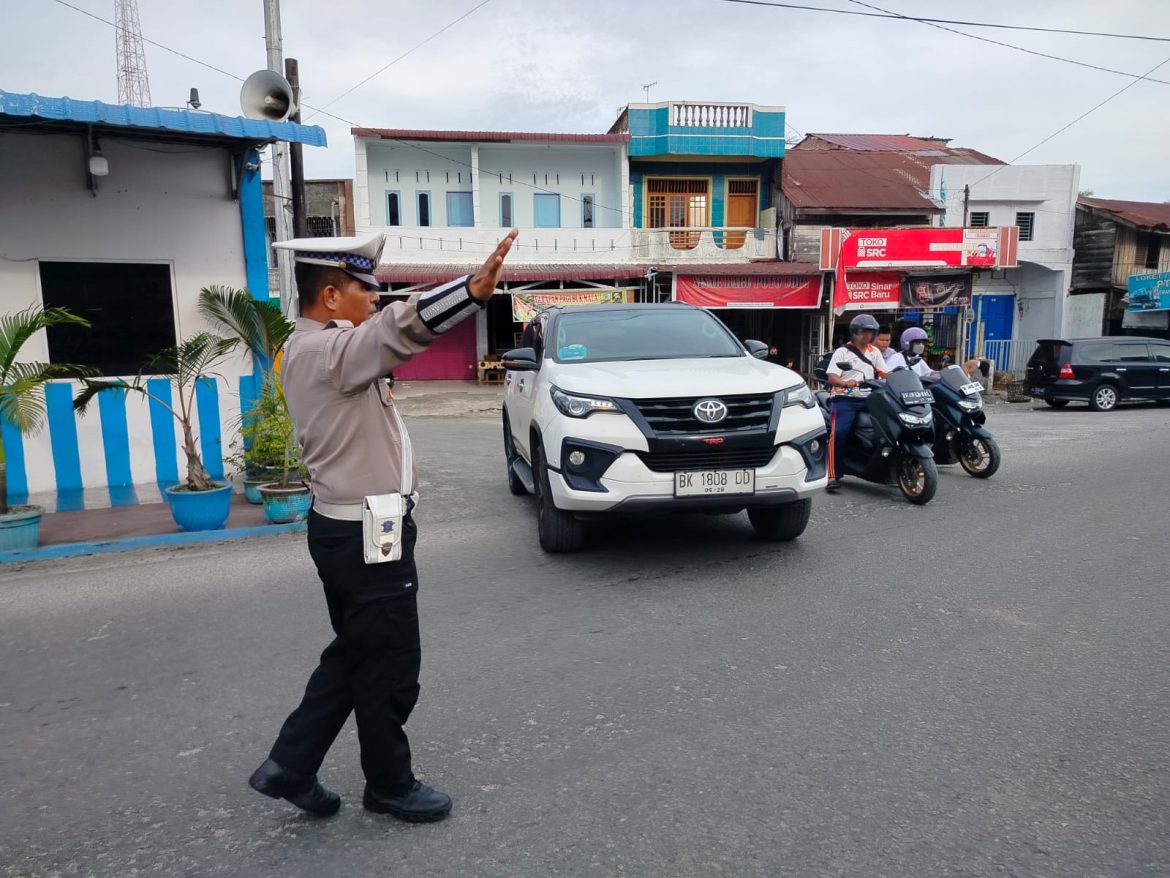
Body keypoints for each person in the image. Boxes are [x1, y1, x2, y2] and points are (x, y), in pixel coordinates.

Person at [248, 228, 518, 822]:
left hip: (347, 527)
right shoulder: (330, 352)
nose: (374, 298)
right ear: (329, 296)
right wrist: (471, 292)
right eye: (362, 289)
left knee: (360, 651)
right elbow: (397, 330)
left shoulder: (312, 345)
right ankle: (390, 785)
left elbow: (380, 330)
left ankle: (289, 766)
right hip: (369, 533)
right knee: (390, 660)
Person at [824, 313, 888, 493]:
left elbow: (884, 373)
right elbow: (832, 376)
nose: (867, 336)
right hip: (845, 398)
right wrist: (845, 383)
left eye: (870, 332)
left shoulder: (874, 352)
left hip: (869, 397)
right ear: (855, 333)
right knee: (840, 433)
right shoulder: (842, 352)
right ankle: (831, 475)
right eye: (864, 332)